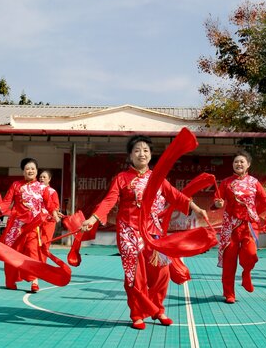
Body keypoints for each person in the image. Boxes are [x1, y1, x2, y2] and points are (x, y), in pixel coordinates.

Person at [80, 135, 209, 330]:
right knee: (135, 276)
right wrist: (93, 219)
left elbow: (175, 195)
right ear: (130, 156)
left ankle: (158, 308)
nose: (142, 153)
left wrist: (197, 208)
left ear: (151, 155)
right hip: (129, 233)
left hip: (154, 233)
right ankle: (137, 314)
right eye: (137, 150)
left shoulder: (157, 178)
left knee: (162, 272)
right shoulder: (122, 178)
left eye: (146, 150)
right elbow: (109, 201)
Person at [214, 150, 266, 304]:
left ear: (248, 165)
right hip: (230, 227)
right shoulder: (226, 182)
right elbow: (217, 200)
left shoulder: (254, 182)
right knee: (229, 262)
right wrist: (218, 203)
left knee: (251, 254)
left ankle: (246, 273)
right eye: (236, 162)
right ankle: (229, 294)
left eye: (242, 161)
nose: (238, 164)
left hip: (249, 225)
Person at [0, 158, 58, 293]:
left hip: (33, 226)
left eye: (33, 169)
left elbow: (49, 204)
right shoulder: (16, 185)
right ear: (23, 171)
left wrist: (55, 214)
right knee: (12, 253)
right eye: (27, 168)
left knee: (32, 252)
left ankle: (34, 281)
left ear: (36, 171)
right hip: (16, 226)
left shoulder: (43, 188)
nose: (30, 171)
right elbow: (6, 203)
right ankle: (10, 281)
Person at [38, 169, 63, 243]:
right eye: (40, 177)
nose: (42, 178)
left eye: (44, 177)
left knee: (45, 241)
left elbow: (56, 206)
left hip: (48, 220)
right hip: (37, 219)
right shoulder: (35, 190)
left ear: (49, 179)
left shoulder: (52, 192)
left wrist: (55, 213)